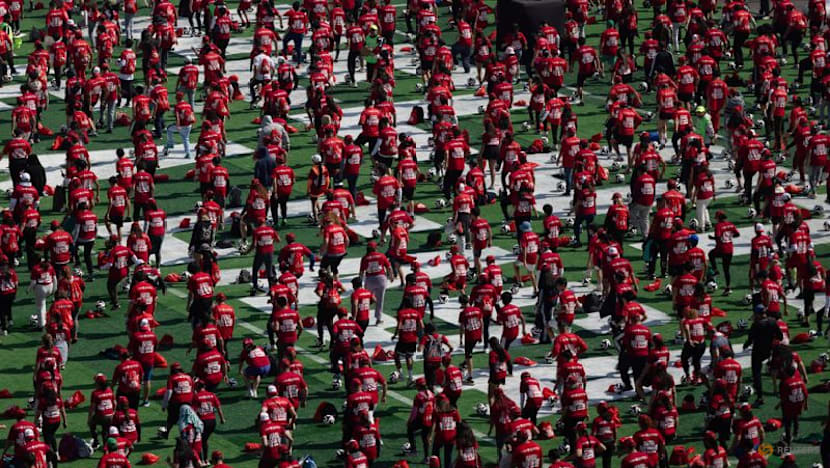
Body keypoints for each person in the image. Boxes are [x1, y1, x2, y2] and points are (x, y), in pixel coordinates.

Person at [743, 305, 783, 406]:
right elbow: (780, 336)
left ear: (757, 314)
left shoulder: (756, 324)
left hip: (757, 351)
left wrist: (745, 345)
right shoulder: (772, 321)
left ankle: (760, 397)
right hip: (768, 350)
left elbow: (750, 339)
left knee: (756, 374)